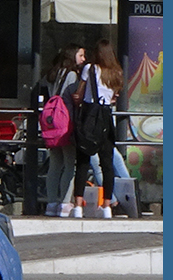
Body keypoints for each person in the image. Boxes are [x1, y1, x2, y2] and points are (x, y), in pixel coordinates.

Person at [71, 39, 123, 219]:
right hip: (106, 118)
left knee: (83, 161)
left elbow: (79, 92)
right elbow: (115, 96)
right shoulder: (116, 73)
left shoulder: (90, 69)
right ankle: (107, 206)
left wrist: (78, 99)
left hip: (89, 117)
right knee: (107, 163)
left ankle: (78, 206)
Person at [42, 43, 84, 217]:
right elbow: (74, 99)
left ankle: (51, 203)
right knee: (69, 165)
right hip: (66, 124)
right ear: (73, 55)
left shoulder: (56, 73)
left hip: (52, 124)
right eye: (81, 55)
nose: (83, 59)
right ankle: (65, 203)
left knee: (54, 164)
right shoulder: (72, 75)